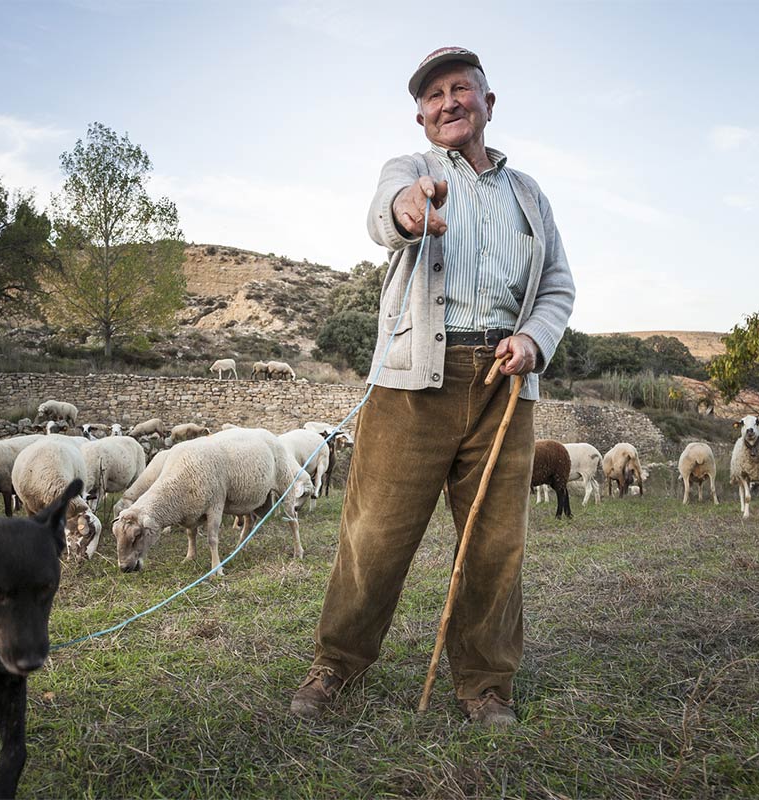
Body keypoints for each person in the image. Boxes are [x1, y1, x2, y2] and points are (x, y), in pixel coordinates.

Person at [290, 46, 575, 726]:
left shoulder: (528, 193)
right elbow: (383, 214)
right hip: (413, 381)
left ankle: (484, 684)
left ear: (488, 103)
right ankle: (337, 664)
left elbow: (558, 284)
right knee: (376, 533)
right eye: (434, 94)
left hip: (504, 384)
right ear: (421, 116)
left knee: (495, 542)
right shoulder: (413, 170)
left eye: (462, 89)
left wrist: (533, 338)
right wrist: (409, 211)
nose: (449, 101)